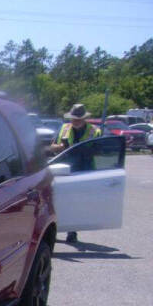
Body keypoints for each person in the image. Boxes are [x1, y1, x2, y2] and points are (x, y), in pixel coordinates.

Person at [49, 104, 102, 243]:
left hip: (85, 172)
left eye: (79, 118)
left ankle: (72, 231)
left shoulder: (95, 131)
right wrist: (59, 147)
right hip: (65, 171)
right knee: (61, 202)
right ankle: (57, 230)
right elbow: (52, 147)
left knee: (76, 203)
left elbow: (101, 151)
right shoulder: (64, 129)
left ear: (85, 119)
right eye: (74, 118)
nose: (76, 121)